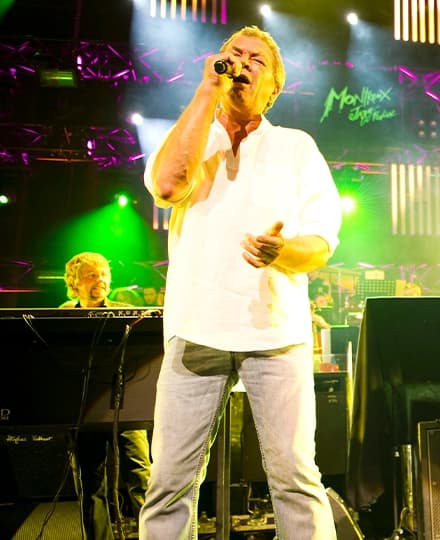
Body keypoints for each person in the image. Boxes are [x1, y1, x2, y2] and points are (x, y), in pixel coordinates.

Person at [139, 25, 342, 538]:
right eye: (234, 54)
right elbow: (166, 186)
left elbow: (320, 244)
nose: (242, 62)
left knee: (295, 480)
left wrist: (281, 252)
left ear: (273, 87)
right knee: (169, 483)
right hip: (195, 327)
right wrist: (206, 91)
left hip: (276, 335)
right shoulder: (193, 133)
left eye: (256, 59)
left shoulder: (297, 148)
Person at [60, 252, 152, 539]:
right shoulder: (63, 314)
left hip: (127, 405)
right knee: (91, 483)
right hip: (86, 409)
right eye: (91, 275)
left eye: (102, 275)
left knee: (140, 475)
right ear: (74, 283)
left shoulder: (125, 311)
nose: (99, 280)